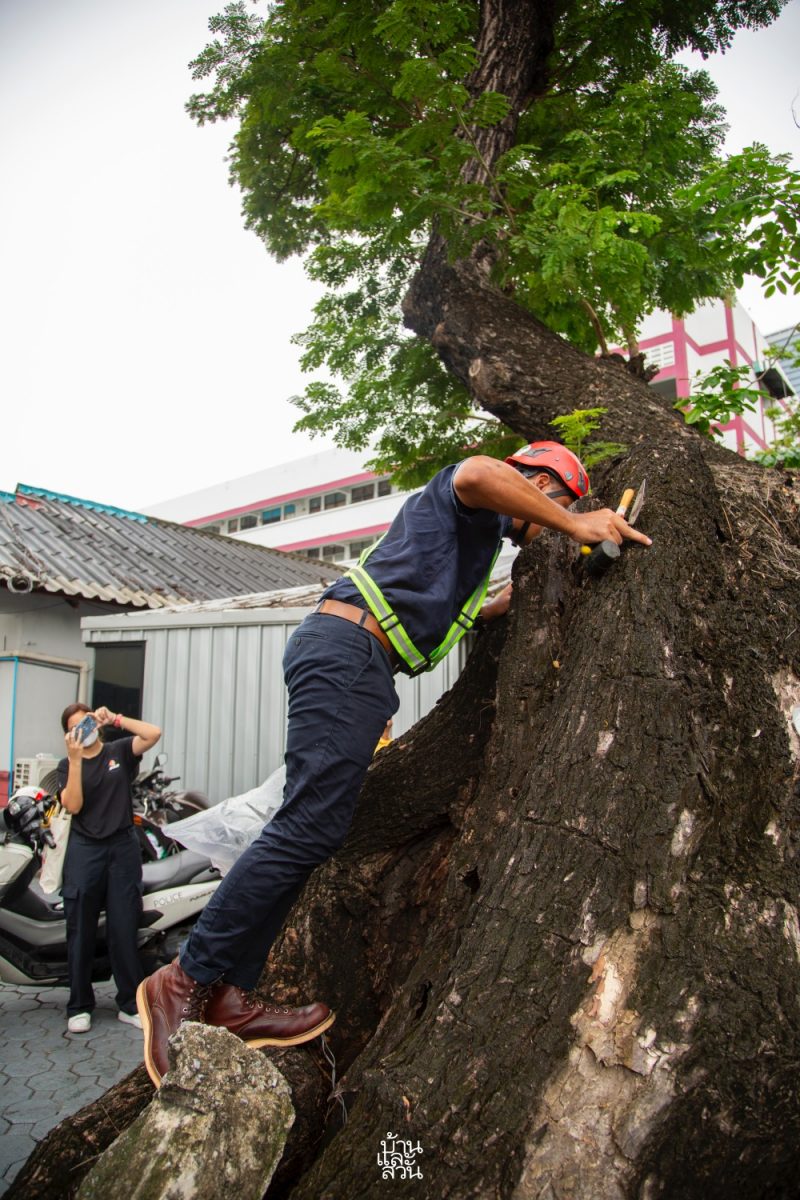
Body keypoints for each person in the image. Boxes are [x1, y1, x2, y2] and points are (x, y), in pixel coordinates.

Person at [137, 442, 651, 1086]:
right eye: (558, 501)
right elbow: (479, 471)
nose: (545, 523)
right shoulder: (477, 494)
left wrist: (508, 603)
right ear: (542, 480)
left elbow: (460, 609)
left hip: (362, 661)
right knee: (305, 826)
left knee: (314, 831)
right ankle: (184, 978)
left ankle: (227, 992)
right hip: (350, 649)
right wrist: (578, 523)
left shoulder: (475, 543)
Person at [57, 703, 161, 1034]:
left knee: (123, 927)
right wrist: (74, 760)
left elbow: (153, 733)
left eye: (86, 723)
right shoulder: (66, 765)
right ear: (68, 735)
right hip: (85, 851)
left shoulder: (118, 751)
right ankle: (79, 1005)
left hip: (122, 849)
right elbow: (72, 805)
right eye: (75, 727)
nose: (83, 730)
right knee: (81, 929)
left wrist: (115, 718)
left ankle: (130, 1003)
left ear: (96, 724)